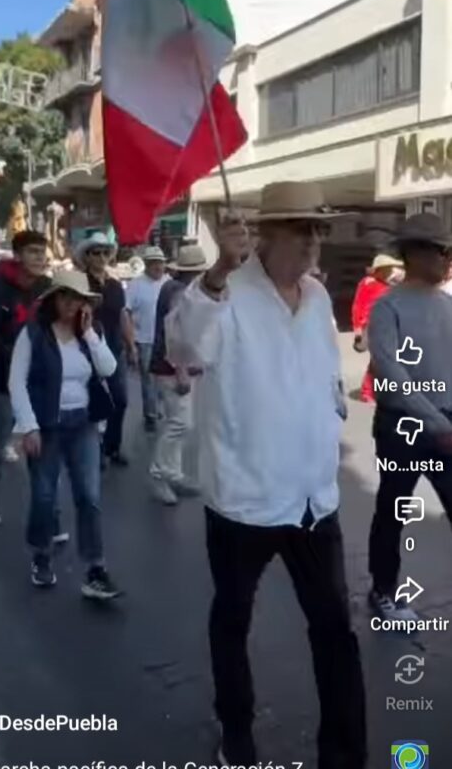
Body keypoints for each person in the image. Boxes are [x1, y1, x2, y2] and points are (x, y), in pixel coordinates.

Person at [166, 182, 366, 769]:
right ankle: (237, 730)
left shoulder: (318, 297)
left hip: (313, 499)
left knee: (335, 629)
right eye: (302, 228)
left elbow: (326, 372)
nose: (312, 242)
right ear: (266, 234)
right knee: (232, 620)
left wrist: (330, 411)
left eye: (318, 229)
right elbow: (182, 347)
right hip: (243, 500)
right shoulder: (225, 295)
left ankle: (347, 752)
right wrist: (216, 274)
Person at [9, 269, 120, 598]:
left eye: (80, 299)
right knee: (44, 496)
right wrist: (28, 426)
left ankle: (95, 567)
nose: (73, 304)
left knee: (89, 496)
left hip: (83, 423)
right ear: (55, 298)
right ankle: (41, 554)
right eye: (67, 296)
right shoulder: (34, 334)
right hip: (47, 426)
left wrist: (89, 335)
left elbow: (109, 369)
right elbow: (17, 381)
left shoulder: (90, 332)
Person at [368, 213, 452, 623]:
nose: (447, 259)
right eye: (441, 251)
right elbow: (392, 375)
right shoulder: (388, 307)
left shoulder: (448, 305)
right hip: (403, 426)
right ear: (415, 253)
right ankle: (383, 591)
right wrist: (438, 424)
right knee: (393, 509)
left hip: (448, 424)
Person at [0, 230, 50, 526]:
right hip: (4, 381)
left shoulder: (48, 288)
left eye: (42, 252)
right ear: (17, 256)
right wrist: (13, 354)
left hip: (40, 382)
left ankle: (47, 509)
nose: (40, 258)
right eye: (33, 252)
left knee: (43, 445)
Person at [149, 243, 207, 505]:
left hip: (177, 366)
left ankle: (174, 474)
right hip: (170, 367)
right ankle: (160, 474)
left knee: (180, 422)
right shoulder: (179, 292)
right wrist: (181, 370)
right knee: (181, 423)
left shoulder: (179, 288)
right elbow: (175, 334)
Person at [75, 232, 137, 466]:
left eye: (105, 253)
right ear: (87, 256)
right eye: (96, 253)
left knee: (120, 400)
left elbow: (123, 315)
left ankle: (112, 446)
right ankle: (94, 449)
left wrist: (131, 346)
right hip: (88, 350)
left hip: (114, 349)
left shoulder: (114, 285)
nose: (101, 257)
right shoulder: (80, 284)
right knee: (93, 401)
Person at [125, 245, 168, 431]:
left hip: (166, 340)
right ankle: (150, 415)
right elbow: (125, 312)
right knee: (148, 380)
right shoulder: (136, 285)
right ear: (148, 265)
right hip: (144, 340)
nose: (159, 267)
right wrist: (131, 344)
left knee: (164, 380)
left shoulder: (168, 282)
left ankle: (159, 409)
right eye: (155, 263)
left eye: (161, 263)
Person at [351, 254, 404, 402]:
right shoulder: (368, 283)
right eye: (388, 269)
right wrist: (358, 329)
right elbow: (358, 305)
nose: (391, 272)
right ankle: (368, 391)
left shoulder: (389, 285)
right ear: (380, 269)